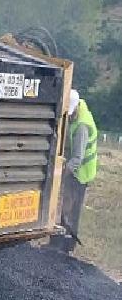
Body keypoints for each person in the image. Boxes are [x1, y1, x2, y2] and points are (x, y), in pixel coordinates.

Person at [54, 89, 98, 252]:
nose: (70, 116)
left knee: (73, 208)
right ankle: (59, 238)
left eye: (71, 113)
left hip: (81, 172)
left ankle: (68, 245)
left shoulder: (82, 126)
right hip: (76, 168)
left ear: (76, 108)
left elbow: (77, 159)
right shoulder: (77, 113)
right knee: (66, 203)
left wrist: (63, 173)